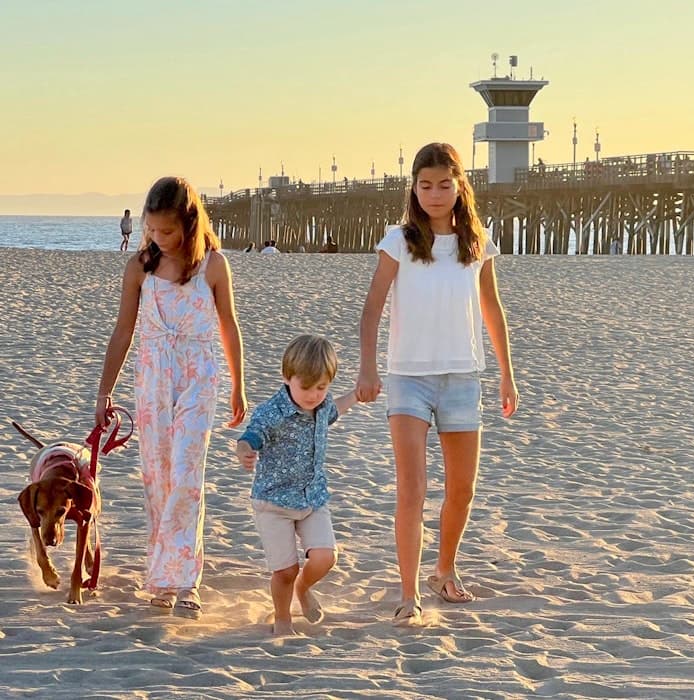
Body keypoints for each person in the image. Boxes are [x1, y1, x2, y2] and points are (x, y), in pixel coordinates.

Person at [356, 142, 519, 626]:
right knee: (412, 489)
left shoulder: (476, 242)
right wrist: (368, 368)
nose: (434, 194)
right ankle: (410, 593)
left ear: (459, 185)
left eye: (444, 184)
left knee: (462, 489)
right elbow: (371, 309)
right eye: (425, 185)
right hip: (408, 378)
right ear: (414, 187)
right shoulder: (398, 240)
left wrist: (507, 373)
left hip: (463, 377)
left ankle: (443, 569)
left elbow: (492, 309)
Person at [95, 176, 247, 619]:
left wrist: (239, 384)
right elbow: (123, 331)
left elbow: (229, 326)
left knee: (186, 475)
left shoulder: (214, 265)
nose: (159, 239)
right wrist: (104, 393)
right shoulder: (139, 268)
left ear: (188, 223)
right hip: (153, 378)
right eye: (152, 231)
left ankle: (186, 580)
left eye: (168, 231)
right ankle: (163, 577)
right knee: (158, 476)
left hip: (199, 376)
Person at [235, 334, 358, 636]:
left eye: (322, 387)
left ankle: (304, 589)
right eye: (306, 387)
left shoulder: (322, 404)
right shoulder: (272, 412)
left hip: (313, 498)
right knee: (285, 570)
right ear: (287, 377)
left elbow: (333, 411)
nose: (315, 395)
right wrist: (244, 451)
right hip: (273, 502)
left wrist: (356, 395)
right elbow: (251, 434)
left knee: (325, 557)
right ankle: (282, 619)